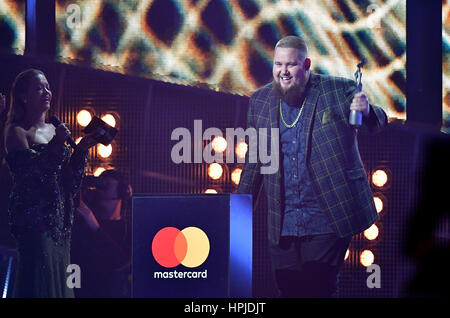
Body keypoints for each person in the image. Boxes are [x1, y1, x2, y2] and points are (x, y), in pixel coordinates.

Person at [237, 36, 388, 297]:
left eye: (291, 65)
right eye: (278, 65)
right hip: (283, 222)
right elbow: (255, 162)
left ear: (306, 65)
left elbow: (377, 120)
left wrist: (366, 110)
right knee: (289, 289)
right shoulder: (260, 101)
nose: (283, 71)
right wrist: (236, 214)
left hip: (328, 216)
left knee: (318, 288)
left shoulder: (337, 90)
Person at [3, 69, 99, 297]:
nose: (47, 92)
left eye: (47, 87)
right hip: (36, 222)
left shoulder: (55, 131)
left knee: (59, 280)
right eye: (39, 87)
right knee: (41, 281)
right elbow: (33, 175)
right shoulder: (16, 132)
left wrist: (82, 149)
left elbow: (70, 183)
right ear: (24, 96)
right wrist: (57, 144)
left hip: (61, 224)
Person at [71, 169, 132, 298]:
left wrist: (95, 227)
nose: (100, 190)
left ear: (122, 193)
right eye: (99, 185)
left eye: (106, 186)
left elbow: (118, 261)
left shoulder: (127, 230)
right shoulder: (83, 223)